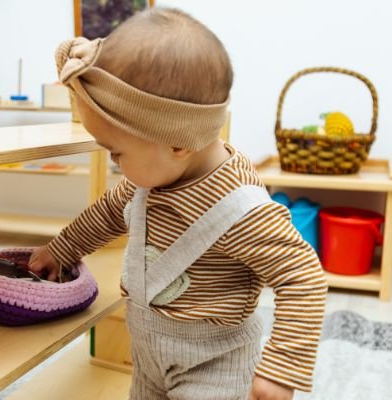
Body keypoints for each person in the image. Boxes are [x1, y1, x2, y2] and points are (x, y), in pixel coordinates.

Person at [29, 8, 327, 400]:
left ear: (178, 144)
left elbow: (302, 278)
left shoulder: (242, 210)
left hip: (215, 364)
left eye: (117, 153)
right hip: (148, 354)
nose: (114, 165)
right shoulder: (150, 180)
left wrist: (281, 369)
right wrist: (61, 249)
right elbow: (103, 216)